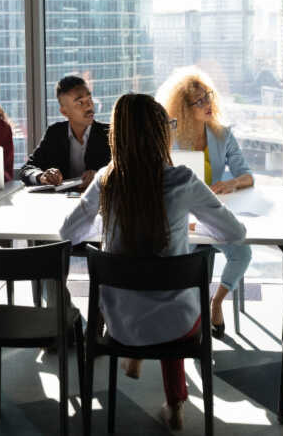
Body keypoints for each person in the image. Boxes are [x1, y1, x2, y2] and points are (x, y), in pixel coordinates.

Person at [60, 93, 245, 431]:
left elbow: (67, 233)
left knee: (149, 294)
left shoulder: (105, 180)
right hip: (178, 327)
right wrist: (193, 225)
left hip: (118, 325)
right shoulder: (183, 180)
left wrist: (106, 223)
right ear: (161, 134)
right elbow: (235, 231)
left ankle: (135, 357)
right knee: (173, 300)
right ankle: (175, 403)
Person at [159, 66, 254, 339]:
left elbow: (246, 175)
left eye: (208, 96)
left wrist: (232, 183)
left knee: (243, 254)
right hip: (182, 218)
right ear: (185, 108)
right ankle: (187, 315)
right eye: (198, 101)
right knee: (181, 260)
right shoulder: (172, 139)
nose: (207, 104)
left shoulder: (222, 134)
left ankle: (216, 302)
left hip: (212, 215)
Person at [19, 74, 111, 191]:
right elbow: (27, 169)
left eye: (89, 99)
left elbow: (125, 170)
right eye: (80, 103)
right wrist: (41, 176)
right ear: (64, 111)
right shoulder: (54, 133)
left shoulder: (109, 134)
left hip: (98, 202)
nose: (89, 106)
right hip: (61, 202)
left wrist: (101, 175)